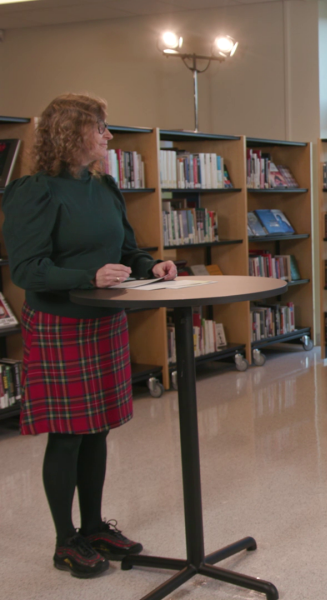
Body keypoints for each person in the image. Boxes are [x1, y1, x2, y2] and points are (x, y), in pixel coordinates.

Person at [2, 94, 178, 578]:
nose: (108, 137)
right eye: (101, 128)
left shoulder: (105, 187)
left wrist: (152, 265)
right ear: (72, 133)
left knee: (97, 426)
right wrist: (88, 276)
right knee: (67, 434)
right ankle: (65, 541)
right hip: (61, 323)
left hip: (105, 319)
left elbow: (126, 248)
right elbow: (27, 269)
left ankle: (95, 525)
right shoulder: (32, 191)